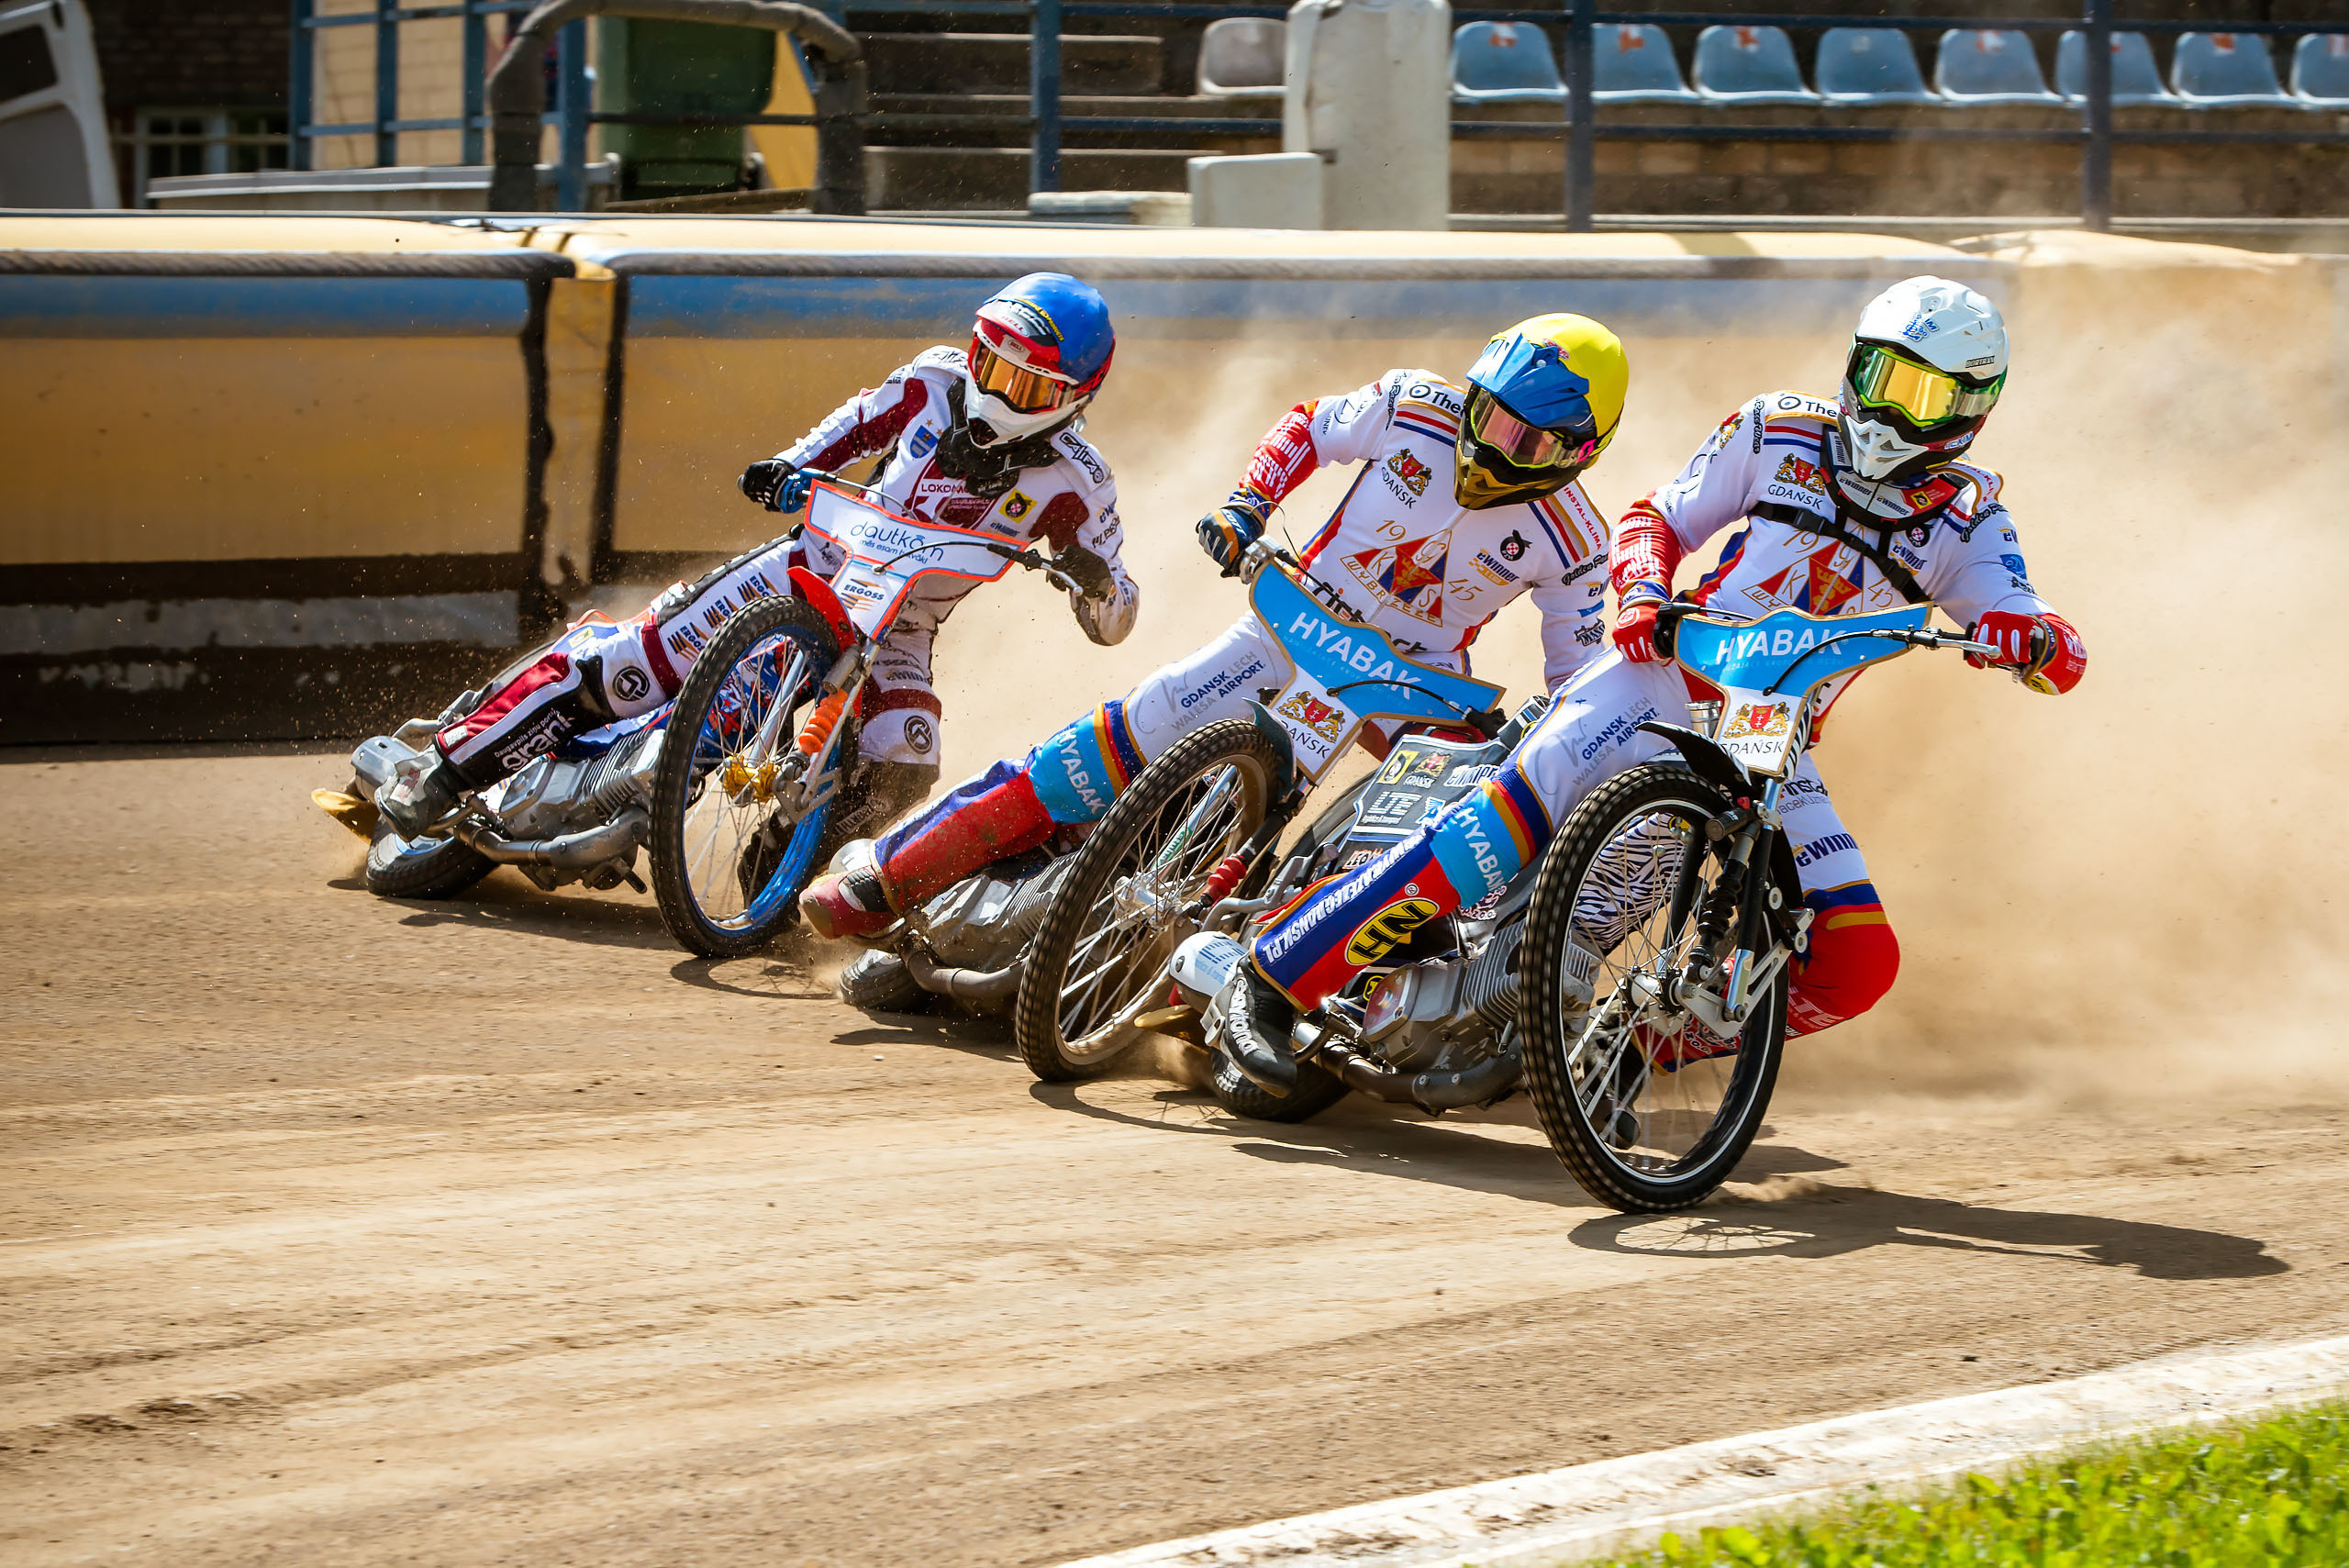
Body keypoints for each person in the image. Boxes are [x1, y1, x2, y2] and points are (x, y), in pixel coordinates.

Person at [1220, 274, 2088, 1095]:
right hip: (1662, 672)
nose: (1889, 405)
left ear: (1970, 411)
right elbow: (1658, 517)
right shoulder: (1775, 427)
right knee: (1495, 826)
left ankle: (1626, 1050)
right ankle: (1271, 978)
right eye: (1879, 372)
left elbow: (2045, 634)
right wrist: (1640, 587)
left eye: (1923, 394)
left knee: (1859, 959)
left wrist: (2034, 641)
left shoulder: (1971, 520)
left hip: (1773, 743)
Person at [798, 313, 1633, 941]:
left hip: (1412, 688)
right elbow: (1307, 426)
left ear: (1578, 450)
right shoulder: (1415, 400)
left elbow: (1578, 675)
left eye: (1521, 438)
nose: (1486, 445)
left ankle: (1320, 974)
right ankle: (892, 877)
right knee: (1119, 733)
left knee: (1446, 842)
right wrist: (1248, 504)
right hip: (1292, 620)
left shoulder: (1580, 543)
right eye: (1485, 414)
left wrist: (1537, 726)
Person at [374, 272, 1138, 847]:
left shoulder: (1078, 481)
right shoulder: (937, 379)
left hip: (902, 627)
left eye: (1022, 380)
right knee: (626, 666)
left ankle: (779, 861)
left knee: (906, 757)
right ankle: (443, 770)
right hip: (808, 568)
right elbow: (859, 422)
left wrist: (1098, 589)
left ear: (1075, 396)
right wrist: (788, 464)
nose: (993, 388)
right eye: (989, 361)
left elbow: (1118, 616)